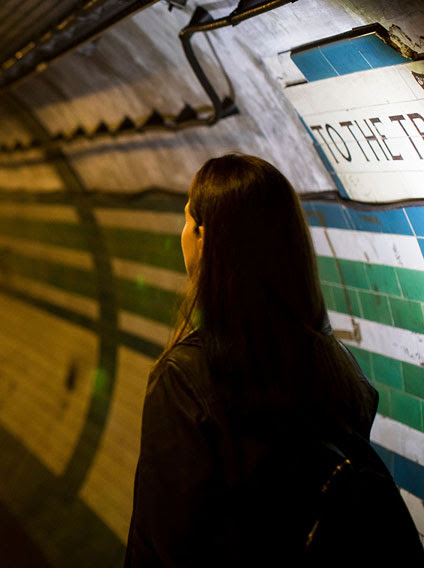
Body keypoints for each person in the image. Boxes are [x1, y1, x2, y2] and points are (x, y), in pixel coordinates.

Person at [125, 154, 379, 567]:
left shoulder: (185, 380)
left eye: (187, 219)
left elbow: (162, 546)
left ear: (204, 237)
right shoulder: (339, 367)